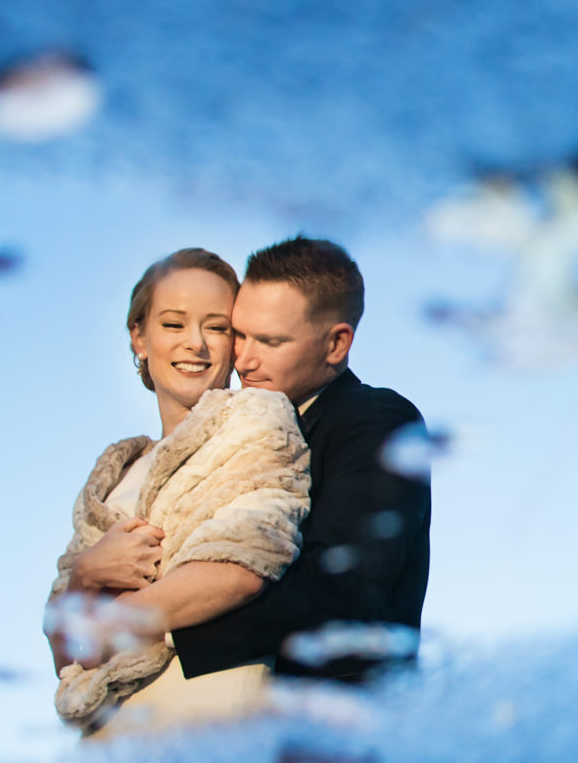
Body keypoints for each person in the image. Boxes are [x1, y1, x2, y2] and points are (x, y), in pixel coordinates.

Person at [46, 248, 310, 736]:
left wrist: (101, 619)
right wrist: (87, 573)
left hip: (209, 724)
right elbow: (67, 658)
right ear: (139, 337)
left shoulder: (257, 421)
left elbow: (244, 563)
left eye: (216, 327)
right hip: (111, 746)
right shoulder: (112, 475)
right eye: (173, 324)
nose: (197, 344)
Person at [169, 236, 432, 684]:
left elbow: (342, 589)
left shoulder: (377, 421)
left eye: (270, 341)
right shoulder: (241, 431)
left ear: (336, 344)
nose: (245, 361)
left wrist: (168, 633)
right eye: (240, 335)